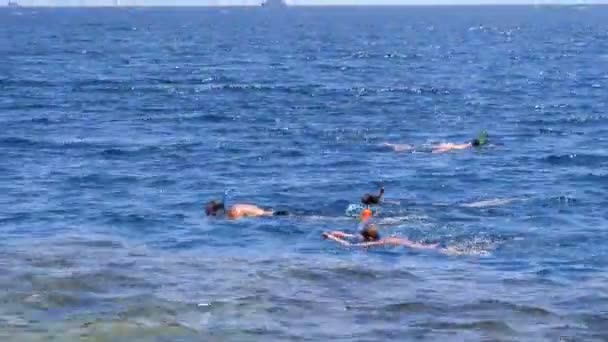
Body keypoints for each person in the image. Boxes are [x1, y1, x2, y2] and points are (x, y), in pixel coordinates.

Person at [322, 223, 440, 251]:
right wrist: (334, 233)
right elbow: (350, 236)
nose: (360, 237)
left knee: (429, 248)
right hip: (407, 242)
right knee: (428, 246)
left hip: (409, 246)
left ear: (369, 239)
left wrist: (331, 238)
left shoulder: (373, 243)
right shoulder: (380, 239)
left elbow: (349, 245)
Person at [383, 132, 488, 154]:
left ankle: (392, 145)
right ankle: (396, 148)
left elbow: (450, 147)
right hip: (445, 147)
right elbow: (450, 148)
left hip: (444, 145)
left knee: (414, 147)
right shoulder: (465, 148)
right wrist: (437, 153)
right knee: (414, 149)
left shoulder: (465, 144)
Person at [205, 194, 288, 220]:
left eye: (210, 213)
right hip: (271, 213)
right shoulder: (235, 206)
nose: (211, 216)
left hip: (271, 217)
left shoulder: (232, 211)